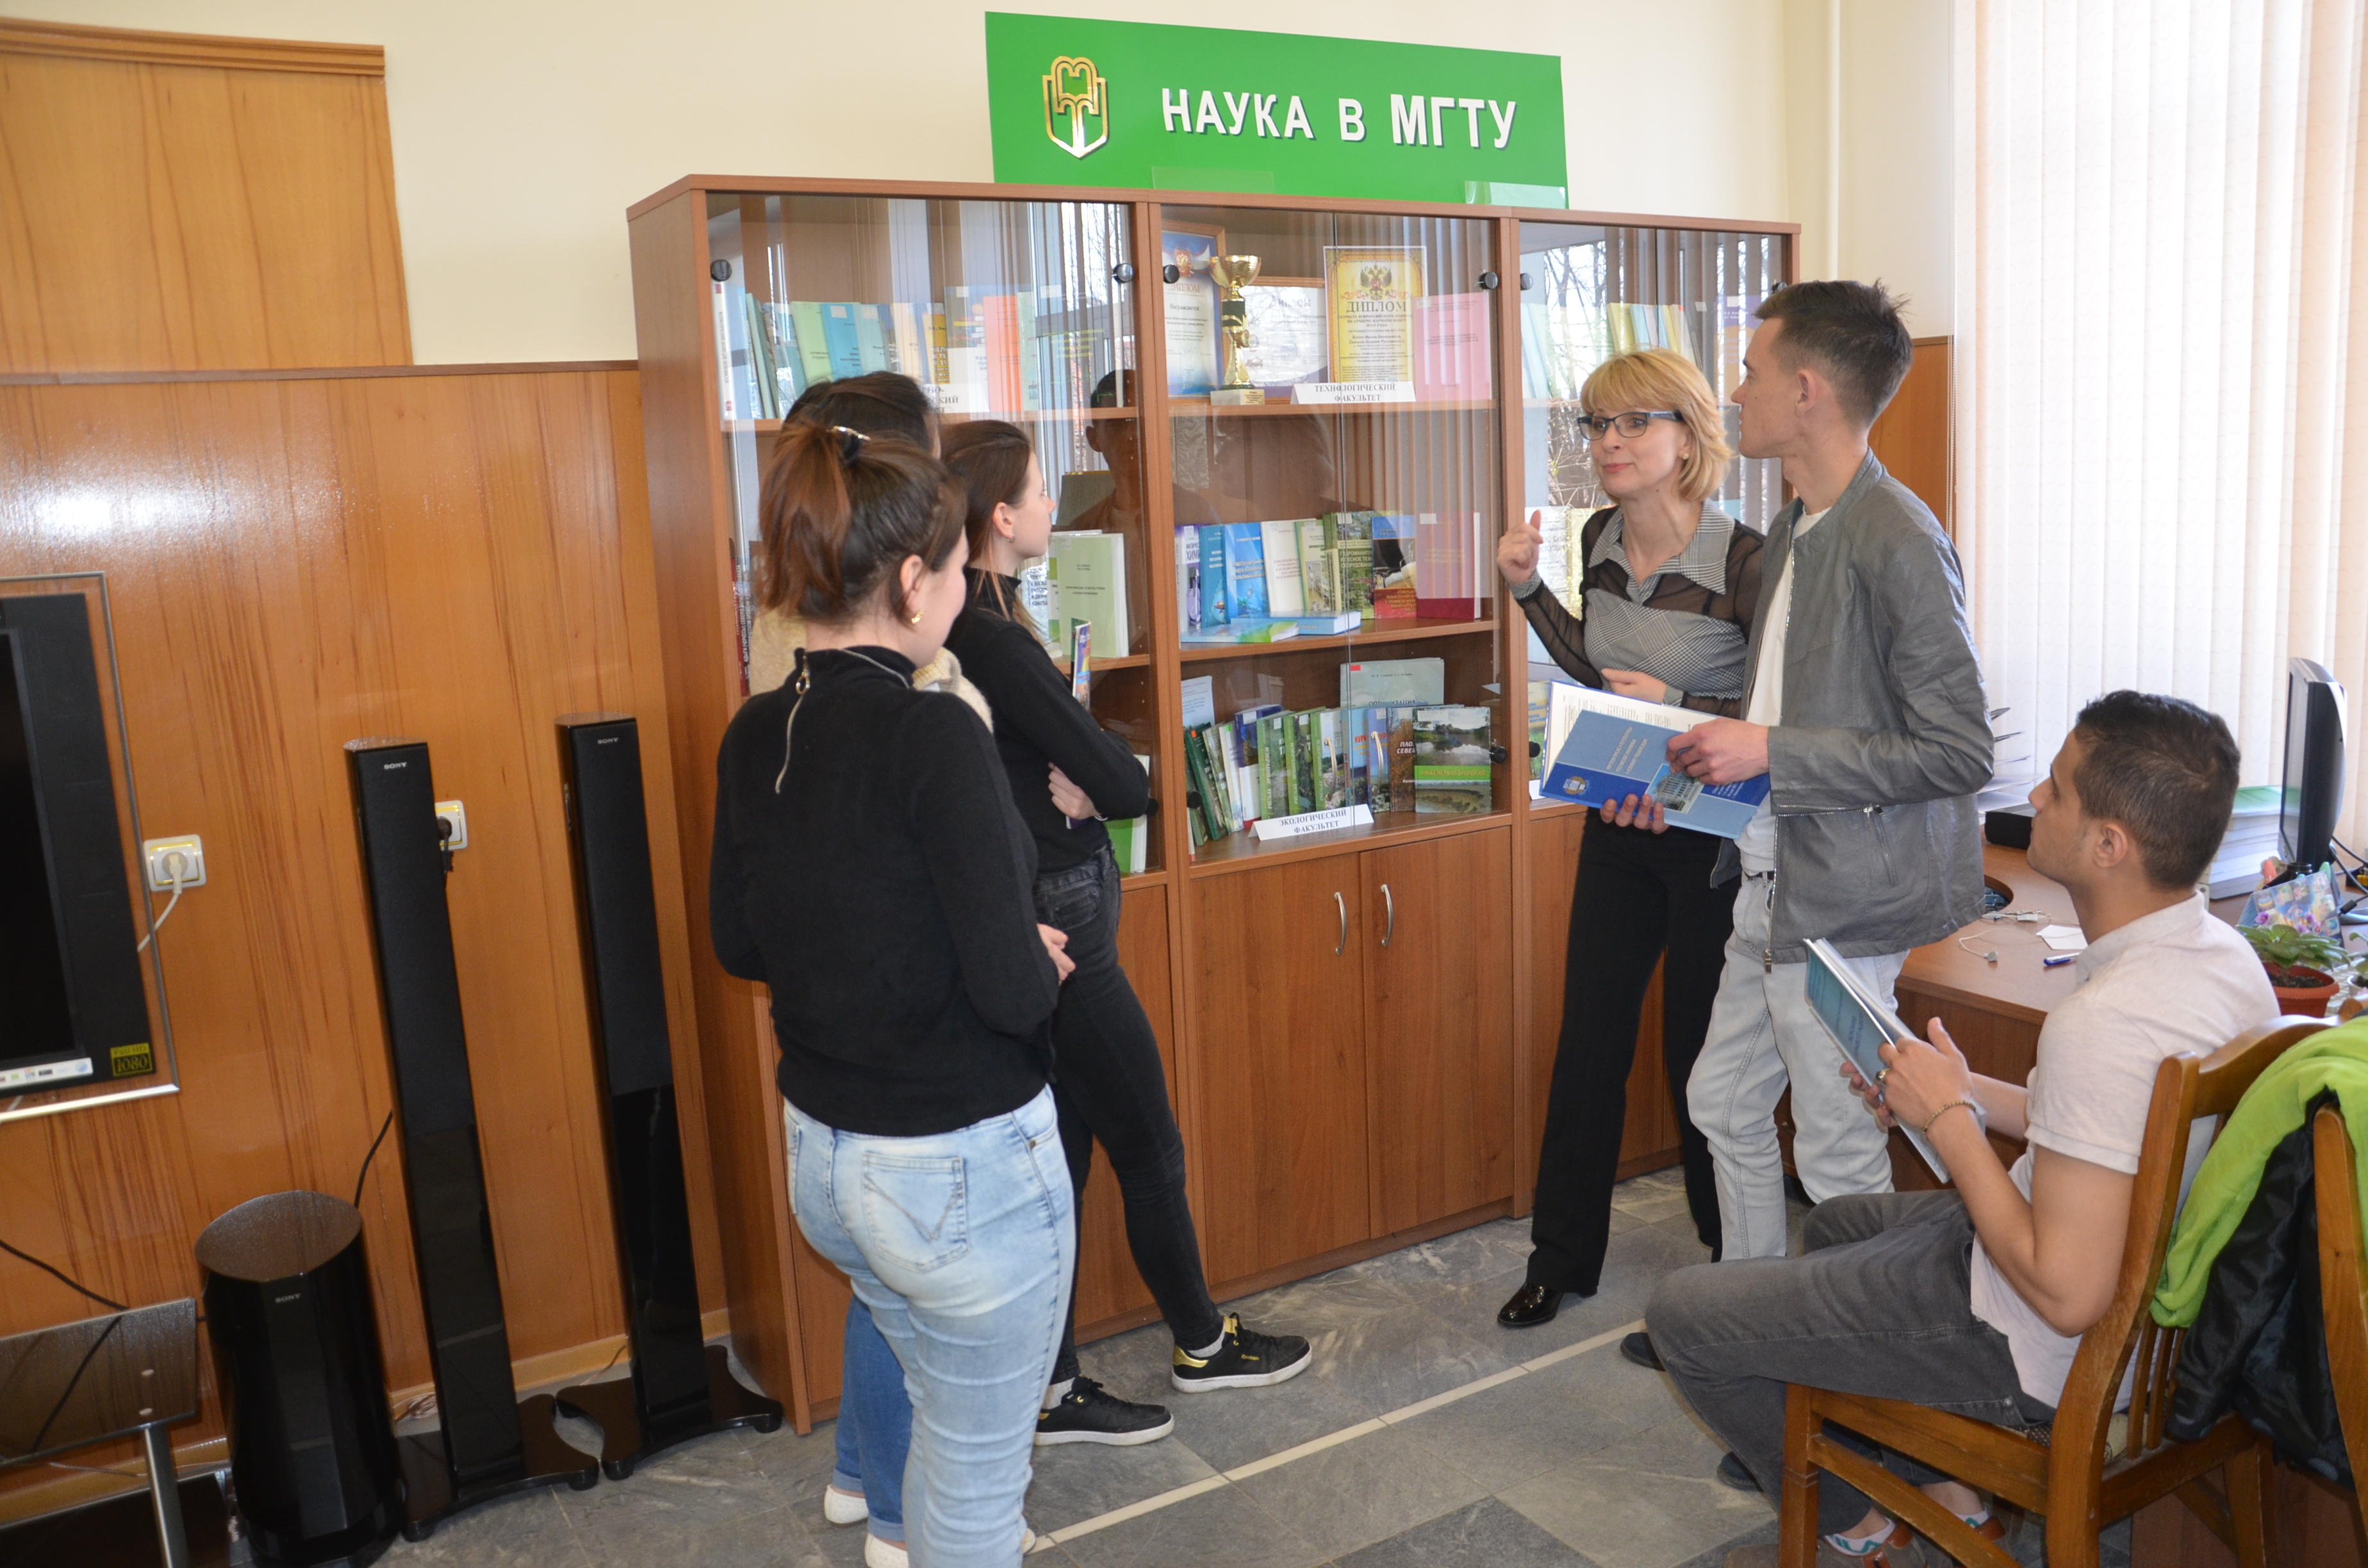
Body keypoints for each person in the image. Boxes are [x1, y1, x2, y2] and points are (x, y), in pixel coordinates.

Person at [1648, 692, 2277, 1568]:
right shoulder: (2222, 958)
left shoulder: (2106, 1023)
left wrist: (1947, 1122)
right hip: (2143, 1320)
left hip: (2034, 1349)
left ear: (2110, 846)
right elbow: (2110, 1123)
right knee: (1835, 1228)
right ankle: (1954, 1494)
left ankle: (1861, 1524)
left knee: (1683, 1317)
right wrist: (1957, 1091)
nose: (2037, 800)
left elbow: (2064, 1293)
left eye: (2057, 790)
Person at [710, 418, 1073, 1568]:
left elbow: (742, 939)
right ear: (913, 582)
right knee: (975, 1488)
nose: (966, 591)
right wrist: (1032, 954)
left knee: (935, 1426)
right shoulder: (933, 730)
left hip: (826, 1157)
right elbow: (1014, 994)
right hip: (955, 1167)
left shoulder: (756, 730)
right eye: (959, 571)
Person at [941, 419, 1313, 1444]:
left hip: (1039, 913)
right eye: (1037, 492)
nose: (1052, 506)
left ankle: (1053, 1385)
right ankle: (1202, 1343)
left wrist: (1077, 771)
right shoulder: (992, 634)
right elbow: (1121, 783)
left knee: (1062, 1162)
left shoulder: (973, 618)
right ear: (1001, 517)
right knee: (1146, 1141)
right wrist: (1098, 773)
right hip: (1065, 933)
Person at [1661, 281, 1993, 1270]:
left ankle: (1853, 1355)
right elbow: (1791, 707)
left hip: (1843, 904)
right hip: (1770, 878)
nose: (1734, 391)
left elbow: (1959, 749)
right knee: (1723, 1103)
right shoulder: (1797, 525)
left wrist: (1770, 750)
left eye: (1750, 371)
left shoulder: (1899, 537)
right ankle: (1750, 1323)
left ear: (1806, 389)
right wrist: (1692, 737)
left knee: (1839, 1149)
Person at [749, 372, 983, 1568]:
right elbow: (994, 966)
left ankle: (861, 1477)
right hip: (910, 1069)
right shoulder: (904, 695)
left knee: (884, 1284)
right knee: (929, 1320)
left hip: (829, 1079)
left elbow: (746, 928)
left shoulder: (794, 660)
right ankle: (900, 1517)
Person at [1491, 348, 1763, 1329]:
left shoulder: (1745, 559)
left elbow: (1774, 709)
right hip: (1618, 823)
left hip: (1710, 845)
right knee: (1588, 1048)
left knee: (1701, 1059)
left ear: (1689, 437)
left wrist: (1679, 701)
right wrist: (1529, 590)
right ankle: (1560, 1261)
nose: (1609, 441)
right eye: (1598, 424)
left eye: (1634, 422)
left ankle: (1729, 1271)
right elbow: (1593, 670)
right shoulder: (1599, 538)